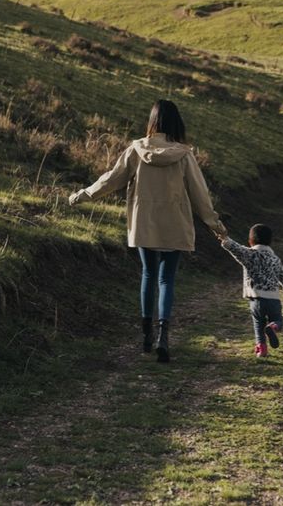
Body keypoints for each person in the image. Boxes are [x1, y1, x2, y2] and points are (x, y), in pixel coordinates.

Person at [68, 99, 227, 362]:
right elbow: (200, 196)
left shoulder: (136, 149)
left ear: (152, 121)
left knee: (148, 275)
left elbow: (111, 179)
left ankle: (145, 338)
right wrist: (216, 226)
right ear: (177, 123)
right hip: (175, 224)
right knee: (167, 281)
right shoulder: (184, 155)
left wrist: (83, 195)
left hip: (144, 222)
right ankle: (163, 338)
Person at [218, 223, 283, 358]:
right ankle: (273, 327)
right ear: (270, 242)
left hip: (256, 299)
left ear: (250, 241)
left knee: (258, 324)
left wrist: (224, 239)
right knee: (277, 320)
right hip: (273, 299)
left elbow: (235, 248)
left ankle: (262, 349)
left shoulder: (249, 254)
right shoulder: (275, 259)